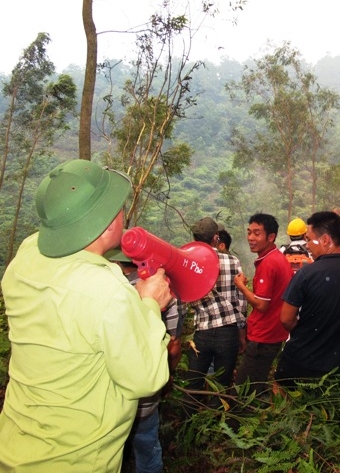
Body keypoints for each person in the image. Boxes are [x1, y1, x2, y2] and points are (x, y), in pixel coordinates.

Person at [0, 159, 172, 472]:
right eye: (118, 208)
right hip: (75, 458)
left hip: (15, 447)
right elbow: (146, 378)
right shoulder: (107, 292)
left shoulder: (25, 256)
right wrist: (149, 304)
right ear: (108, 223)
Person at [274, 211, 340, 389]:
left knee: (285, 404)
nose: (307, 246)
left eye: (309, 240)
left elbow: (286, 318)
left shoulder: (307, 274)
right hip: (335, 367)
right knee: (326, 411)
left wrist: (310, 335)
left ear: (325, 240)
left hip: (299, 362)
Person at [105, 250, 183, 473]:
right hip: (146, 401)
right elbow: (174, 345)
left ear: (116, 259)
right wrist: (166, 378)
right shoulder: (162, 289)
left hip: (111, 398)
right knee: (148, 450)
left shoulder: (109, 289)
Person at [183, 217, 247, 411]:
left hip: (201, 332)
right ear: (216, 237)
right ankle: (214, 426)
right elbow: (241, 298)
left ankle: (187, 425)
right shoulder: (232, 261)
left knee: (193, 384)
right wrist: (242, 331)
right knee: (220, 385)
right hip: (227, 332)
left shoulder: (188, 262)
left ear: (194, 238)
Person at [234, 213, 293, 396]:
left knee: (244, 390)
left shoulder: (269, 263)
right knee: (256, 383)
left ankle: (237, 422)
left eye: (257, 233)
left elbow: (261, 305)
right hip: (273, 333)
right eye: (249, 232)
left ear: (271, 237)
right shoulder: (278, 257)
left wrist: (241, 286)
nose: (251, 238)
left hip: (264, 337)